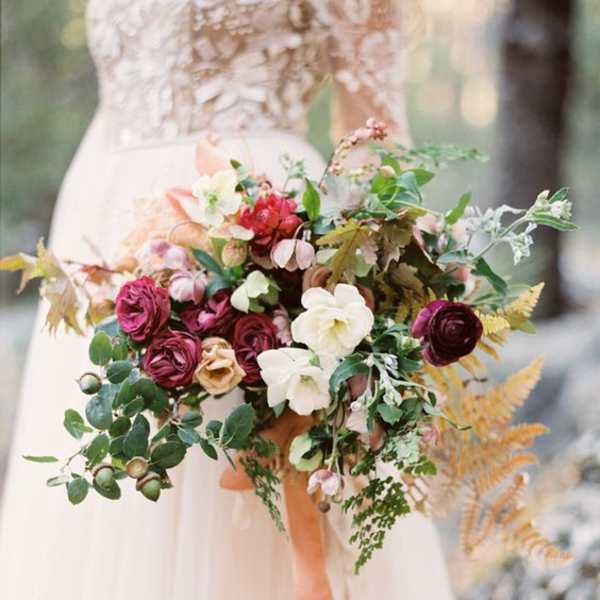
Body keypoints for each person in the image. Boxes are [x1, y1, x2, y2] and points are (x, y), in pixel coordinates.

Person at [0, 2, 453, 598]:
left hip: (258, 221)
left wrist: (374, 274)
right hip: (109, 227)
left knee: (254, 480)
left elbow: (379, 136)